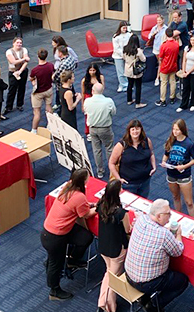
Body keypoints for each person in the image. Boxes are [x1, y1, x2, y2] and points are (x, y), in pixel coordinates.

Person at [125, 199, 189, 312]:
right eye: (168, 214)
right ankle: (154, 305)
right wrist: (178, 234)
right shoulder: (163, 234)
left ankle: (145, 300)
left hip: (129, 275)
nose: (170, 216)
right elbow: (178, 251)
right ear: (159, 216)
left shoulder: (142, 219)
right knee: (182, 281)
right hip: (147, 283)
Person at [41, 169, 95, 301]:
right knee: (56, 264)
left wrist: (89, 205)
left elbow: (79, 206)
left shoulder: (68, 186)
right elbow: (85, 215)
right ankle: (54, 291)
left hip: (55, 230)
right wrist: (98, 208)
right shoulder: (78, 196)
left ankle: (72, 260)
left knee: (85, 237)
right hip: (55, 236)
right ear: (83, 181)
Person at [97, 179, 131, 312]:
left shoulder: (101, 206)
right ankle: (106, 306)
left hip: (104, 246)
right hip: (117, 250)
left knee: (109, 273)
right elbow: (127, 230)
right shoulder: (121, 213)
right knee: (112, 279)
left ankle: (106, 305)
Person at [161, 118, 194, 218]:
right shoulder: (170, 140)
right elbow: (166, 154)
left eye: (177, 129)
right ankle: (179, 218)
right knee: (175, 197)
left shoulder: (189, 144)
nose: (175, 132)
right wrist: (164, 162)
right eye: (173, 129)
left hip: (184, 175)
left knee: (189, 202)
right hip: (171, 174)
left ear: (182, 130)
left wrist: (184, 166)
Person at [109, 119, 156, 198]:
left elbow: (151, 153)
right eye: (133, 129)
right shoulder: (121, 145)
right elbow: (111, 163)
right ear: (129, 131)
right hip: (129, 184)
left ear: (141, 129)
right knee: (129, 206)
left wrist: (154, 167)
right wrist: (118, 179)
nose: (135, 131)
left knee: (143, 203)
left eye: (137, 129)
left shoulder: (147, 141)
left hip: (145, 181)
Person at [83, 83, 116, 179]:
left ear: (92, 91)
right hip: (105, 128)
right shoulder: (108, 101)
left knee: (97, 150)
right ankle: (111, 169)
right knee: (109, 148)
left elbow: (85, 111)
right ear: (103, 90)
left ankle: (100, 171)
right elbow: (113, 112)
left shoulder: (87, 101)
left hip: (92, 129)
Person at [29, 48, 54, 134]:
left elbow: (31, 78)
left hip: (38, 92)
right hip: (48, 89)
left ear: (38, 57)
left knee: (37, 112)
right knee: (49, 107)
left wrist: (33, 81)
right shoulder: (50, 65)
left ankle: (34, 130)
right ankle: (51, 125)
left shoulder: (35, 70)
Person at [3, 36, 30, 115]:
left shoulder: (24, 49)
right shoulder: (9, 51)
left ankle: (19, 104)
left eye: (20, 43)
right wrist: (23, 59)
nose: (19, 44)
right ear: (13, 43)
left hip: (23, 71)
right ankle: (8, 107)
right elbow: (13, 62)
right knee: (12, 89)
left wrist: (20, 71)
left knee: (22, 87)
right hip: (13, 72)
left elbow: (26, 62)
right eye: (17, 42)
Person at [156, 28, 180, 107]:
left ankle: (163, 100)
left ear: (166, 35)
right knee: (172, 82)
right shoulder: (176, 44)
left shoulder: (164, 45)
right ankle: (172, 98)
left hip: (165, 67)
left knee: (163, 83)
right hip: (173, 66)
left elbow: (160, 57)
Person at [81, 63, 105, 141]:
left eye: (93, 70)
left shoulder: (100, 77)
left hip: (98, 98)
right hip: (88, 98)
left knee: (99, 115)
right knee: (88, 116)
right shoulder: (84, 80)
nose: (92, 72)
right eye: (90, 70)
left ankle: (99, 131)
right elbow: (83, 92)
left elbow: (102, 89)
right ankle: (88, 132)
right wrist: (82, 104)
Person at [123, 34, 147, 109]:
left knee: (130, 85)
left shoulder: (125, 48)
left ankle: (129, 100)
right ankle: (138, 103)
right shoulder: (138, 51)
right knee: (138, 86)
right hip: (135, 70)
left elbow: (123, 58)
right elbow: (144, 59)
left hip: (127, 69)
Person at [147, 14, 168, 86]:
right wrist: (154, 33)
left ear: (163, 20)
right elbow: (149, 37)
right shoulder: (154, 28)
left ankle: (158, 77)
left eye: (160, 20)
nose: (158, 22)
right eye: (157, 20)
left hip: (163, 48)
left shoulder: (166, 28)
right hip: (156, 48)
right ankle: (161, 75)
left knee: (161, 62)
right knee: (160, 62)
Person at [112, 21, 131, 93]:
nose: (124, 29)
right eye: (123, 28)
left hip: (127, 55)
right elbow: (116, 48)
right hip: (118, 56)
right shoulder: (116, 37)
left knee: (127, 71)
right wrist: (123, 55)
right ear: (120, 28)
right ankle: (122, 85)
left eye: (125, 28)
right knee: (120, 72)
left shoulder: (129, 35)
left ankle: (127, 85)